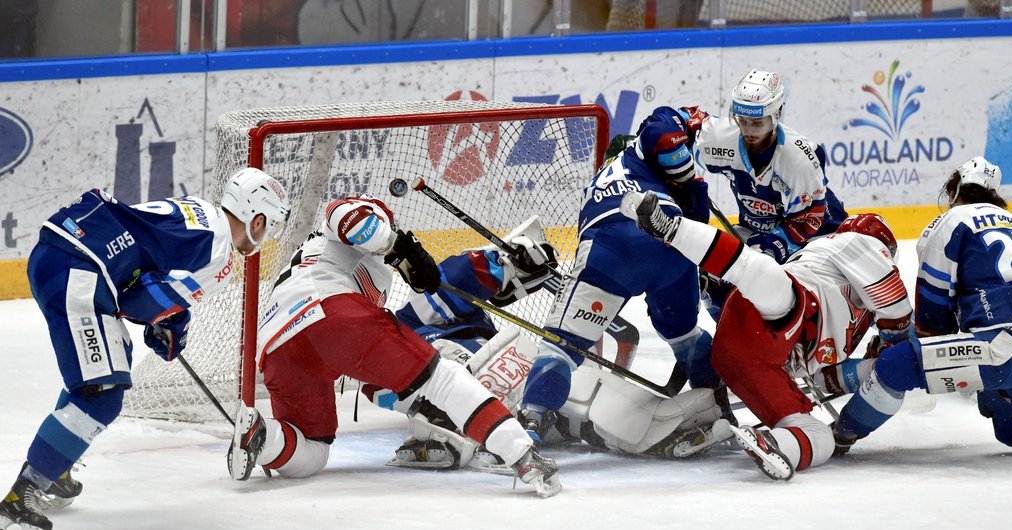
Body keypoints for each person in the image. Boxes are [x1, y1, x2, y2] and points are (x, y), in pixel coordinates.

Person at [0, 167, 291, 530]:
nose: (266, 236)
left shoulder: (199, 210)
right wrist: (170, 326)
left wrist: (168, 317)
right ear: (257, 218)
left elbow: (148, 269)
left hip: (63, 253)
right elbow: (142, 299)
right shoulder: (220, 253)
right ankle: (20, 498)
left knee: (108, 367)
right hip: (79, 270)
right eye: (269, 225)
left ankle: (57, 466)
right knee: (102, 392)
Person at [226, 194, 562, 498]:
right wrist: (400, 243)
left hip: (276, 344)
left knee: (314, 448)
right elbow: (349, 217)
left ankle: (264, 437)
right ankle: (522, 455)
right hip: (327, 310)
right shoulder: (348, 227)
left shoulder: (321, 260)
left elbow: (375, 365)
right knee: (441, 378)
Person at [380, 217, 733, 470]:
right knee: (566, 407)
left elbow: (465, 275)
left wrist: (512, 260)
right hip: (485, 393)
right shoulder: (392, 340)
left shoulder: (412, 318)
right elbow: (388, 388)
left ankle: (675, 424)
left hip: (506, 371)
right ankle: (450, 437)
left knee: (585, 403)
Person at [621, 190, 912, 480]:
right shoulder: (858, 243)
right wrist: (897, 351)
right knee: (763, 275)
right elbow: (896, 309)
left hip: (747, 359)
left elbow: (824, 378)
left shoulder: (855, 309)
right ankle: (672, 228)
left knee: (818, 435)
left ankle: (773, 442)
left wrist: (875, 369)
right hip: (783, 315)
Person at [515, 102, 726, 443]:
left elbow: (660, 131)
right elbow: (695, 227)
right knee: (686, 336)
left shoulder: (626, 158)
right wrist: (690, 177)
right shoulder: (679, 179)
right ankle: (717, 404)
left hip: (614, 251)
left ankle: (531, 423)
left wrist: (685, 168)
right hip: (672, 255)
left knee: (561, 347)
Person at [832, 157, 1012, 454]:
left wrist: (907, 347)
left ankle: (839, 435)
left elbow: (932, 313)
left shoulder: (950, 221)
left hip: (1004, 343)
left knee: (894, 367)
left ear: (954, 190)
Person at [696, 69, 848, 263]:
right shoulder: (721, 137)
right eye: (743, 120)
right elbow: (683, 126)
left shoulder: (798, 159)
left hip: (819, 238)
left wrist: (773, 246)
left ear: (777, 114)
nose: (748, 130)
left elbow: (810, 220)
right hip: (756, 233)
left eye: (758, 122)